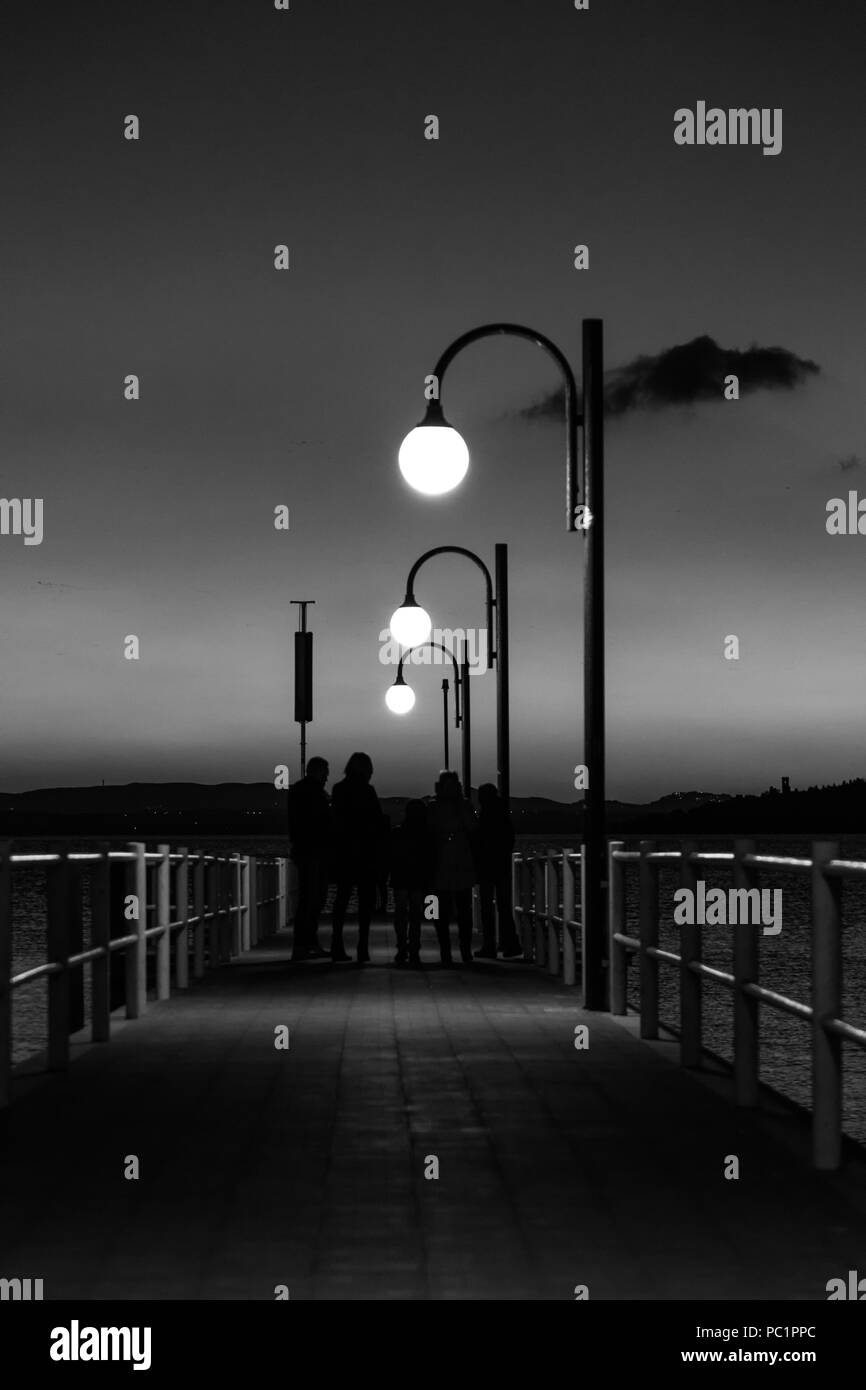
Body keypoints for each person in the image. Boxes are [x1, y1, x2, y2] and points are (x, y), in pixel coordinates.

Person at [330, 751, 384, 963]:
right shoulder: (368, 791)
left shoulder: (338, 789)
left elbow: (335, 821)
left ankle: (337, 943)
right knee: (365, 903)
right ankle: (363, 946)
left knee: (342, 899)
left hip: (344, 851)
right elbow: (377, 822)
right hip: (365, 852)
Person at [427, 770, 477, 964]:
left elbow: (473, 827)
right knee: (442, 910)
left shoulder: (463, 806)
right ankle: (446, 949)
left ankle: (464, 949)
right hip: (442, 863)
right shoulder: (434, 807)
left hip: (459, 863)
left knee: (463, 909)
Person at [287, 756, 331, 962]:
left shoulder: (298, 790)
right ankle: (305, 944)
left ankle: (305, 943)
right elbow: (321, 821)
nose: (327, 776)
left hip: (305, 850)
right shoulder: (315, 793)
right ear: (317, 771)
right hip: (314, 851)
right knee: (313, 898)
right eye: (325, 772)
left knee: (310, 898)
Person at [475, 782, 524, 959]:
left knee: (487, 907)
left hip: (488, 866)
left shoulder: (486, 815)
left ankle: (491, 944)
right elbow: (509, 839)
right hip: (501, 866)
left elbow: (480, 839)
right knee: (504, 906)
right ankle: (510, 943)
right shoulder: (502, 814)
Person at [390, 800, 434, 966]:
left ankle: (402, 946)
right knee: (416, 914)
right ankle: (414, 947)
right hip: (418, 877)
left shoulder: (397, 832)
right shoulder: (427, 834)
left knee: (401, 912)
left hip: (401, 876)